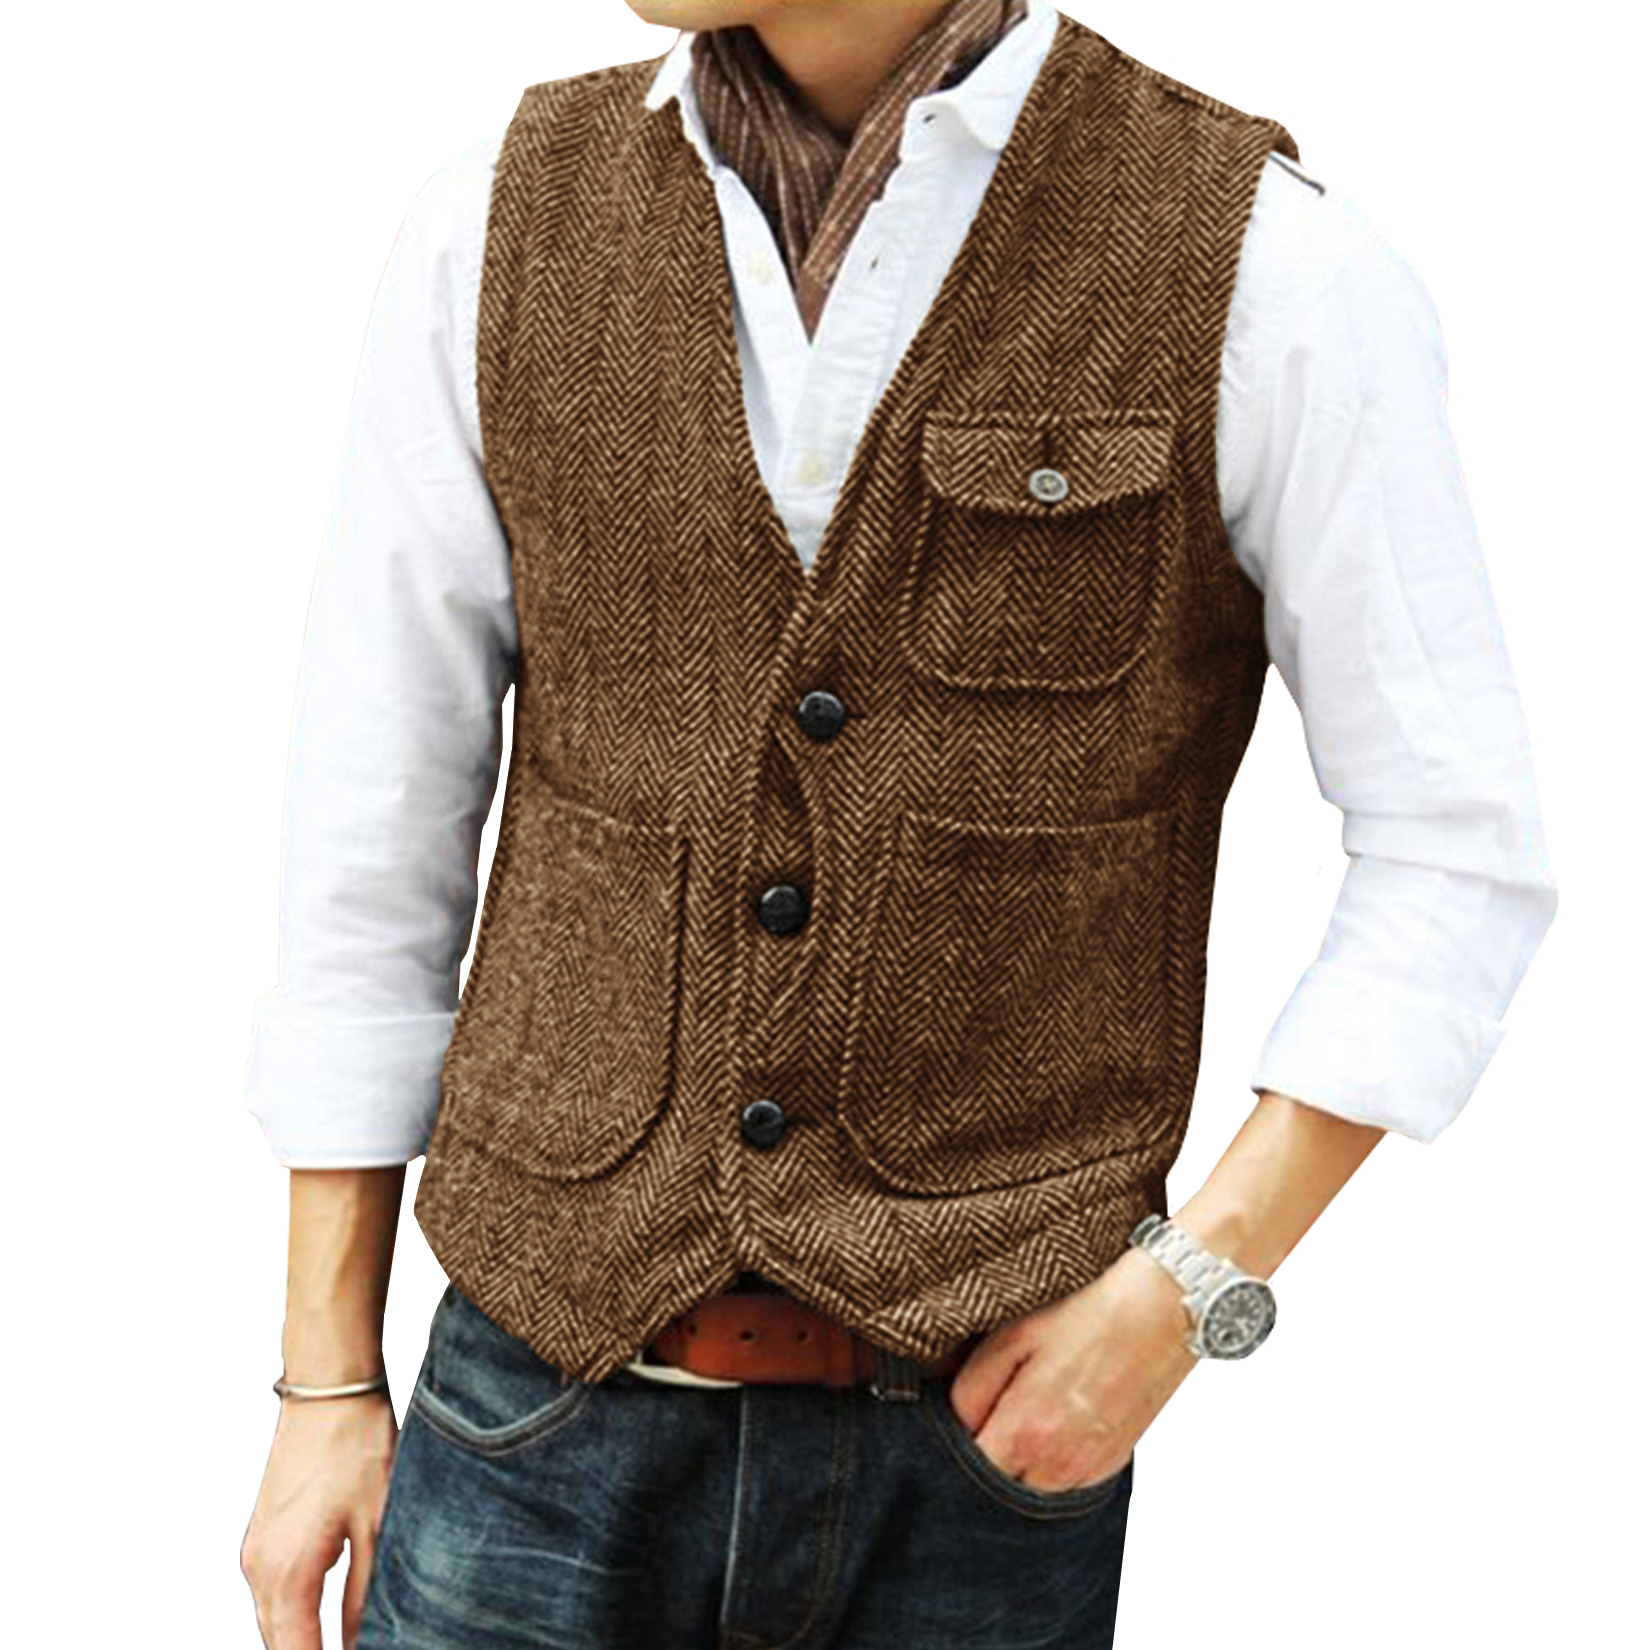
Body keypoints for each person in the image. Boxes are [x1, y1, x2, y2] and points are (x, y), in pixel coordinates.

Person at [237, 2, 1560, 1646]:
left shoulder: (1266, 263)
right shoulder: (493, 223)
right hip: (529, 1415)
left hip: (976, 1463)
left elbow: (1454, 843)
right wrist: (323, 1379)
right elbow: (373, 818)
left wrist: (1186, 1294)